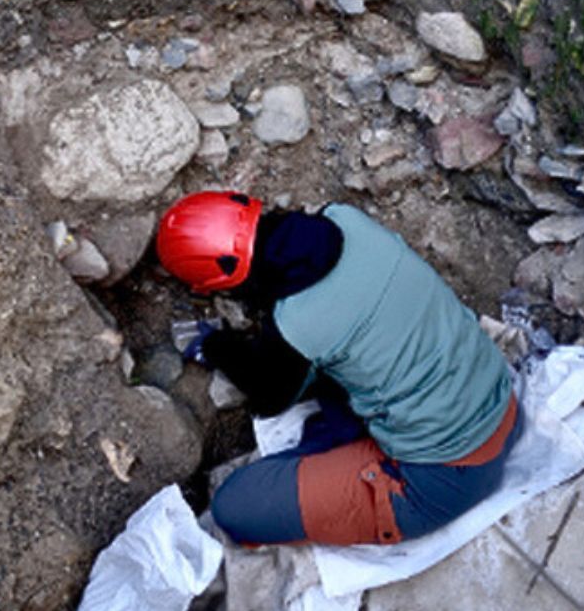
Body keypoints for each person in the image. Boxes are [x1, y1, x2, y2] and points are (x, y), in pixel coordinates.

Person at [156, 190, 520, 546]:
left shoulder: (299, 324)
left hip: (446, 475)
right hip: (500, 400)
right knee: (331, 380)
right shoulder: (345, 219)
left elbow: (269, 397)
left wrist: (216, 346)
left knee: (236, 505)